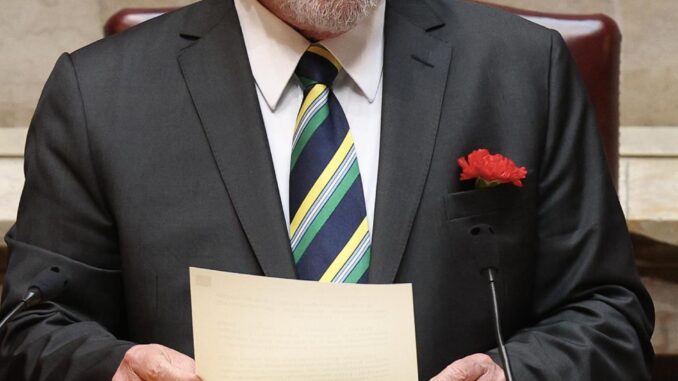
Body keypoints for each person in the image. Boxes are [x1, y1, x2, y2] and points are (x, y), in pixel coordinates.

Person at [0, 0, 654, 380]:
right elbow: (33, 323)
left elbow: (607, 313)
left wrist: (516, 373)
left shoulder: (523, 69)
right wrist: (112, 366)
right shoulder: (99, 93)